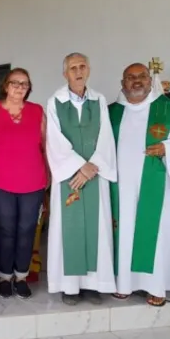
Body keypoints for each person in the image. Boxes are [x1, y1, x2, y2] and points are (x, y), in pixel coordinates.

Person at [109, 62, 170, 307]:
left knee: (155, 233)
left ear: (150, 81)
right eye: (130, 77)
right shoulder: (111, 113)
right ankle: (123, 283)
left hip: (156, 184)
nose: (136, 81)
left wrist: (166, 148)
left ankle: (156, 285)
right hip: (121, 188)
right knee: (124, 230)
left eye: (141, 76)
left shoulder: (169, 109)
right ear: (122, 83)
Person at [45, 53, 117, 305]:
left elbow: (106, 137)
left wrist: (92, 167)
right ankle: (70, 287)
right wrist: (78, 166)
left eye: (82, 66)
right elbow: (54, 141)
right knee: (69, 228)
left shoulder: (99, 100)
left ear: (89, 70)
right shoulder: (55, 101)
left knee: (97, 229)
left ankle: (95, 285)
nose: (78, 71)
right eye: (72, 68)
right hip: (69, 177)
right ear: (65, 74)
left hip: (95, 175)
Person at [0, 68, 48, 299]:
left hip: (33, 181)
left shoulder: (37, 111)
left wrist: (49, 177)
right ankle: (3, 277)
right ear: (5, 85)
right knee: (5, 230)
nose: (20, 87)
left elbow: (45, 144)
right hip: (0, 181)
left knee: (26, 230)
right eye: (15, 83)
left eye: (24, 83)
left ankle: (21, 276)